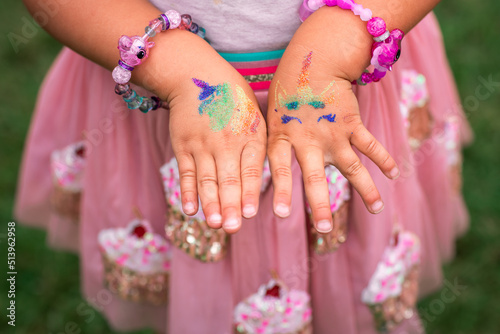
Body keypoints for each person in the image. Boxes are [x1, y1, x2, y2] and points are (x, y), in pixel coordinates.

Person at [15, 0, 471, 332]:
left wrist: (341, 40)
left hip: (342, 93)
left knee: (344, 271)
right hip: (163, 94)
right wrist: (174, 69)